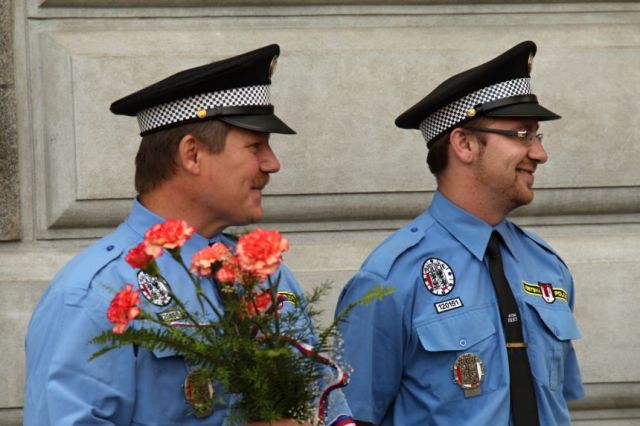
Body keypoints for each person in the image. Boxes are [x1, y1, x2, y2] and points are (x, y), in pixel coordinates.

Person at [25, 44, 354, 426]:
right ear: (192, 154)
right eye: (255, 146)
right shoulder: (93, 293)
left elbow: (325, 406)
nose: (272, 163)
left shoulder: (267, 273)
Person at [335, 41, 584, 425]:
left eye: (538, 136)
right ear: (465, 144)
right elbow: (353, 414)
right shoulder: (390, 277)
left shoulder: (546, 265)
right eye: (522, 134)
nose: (539, 153)